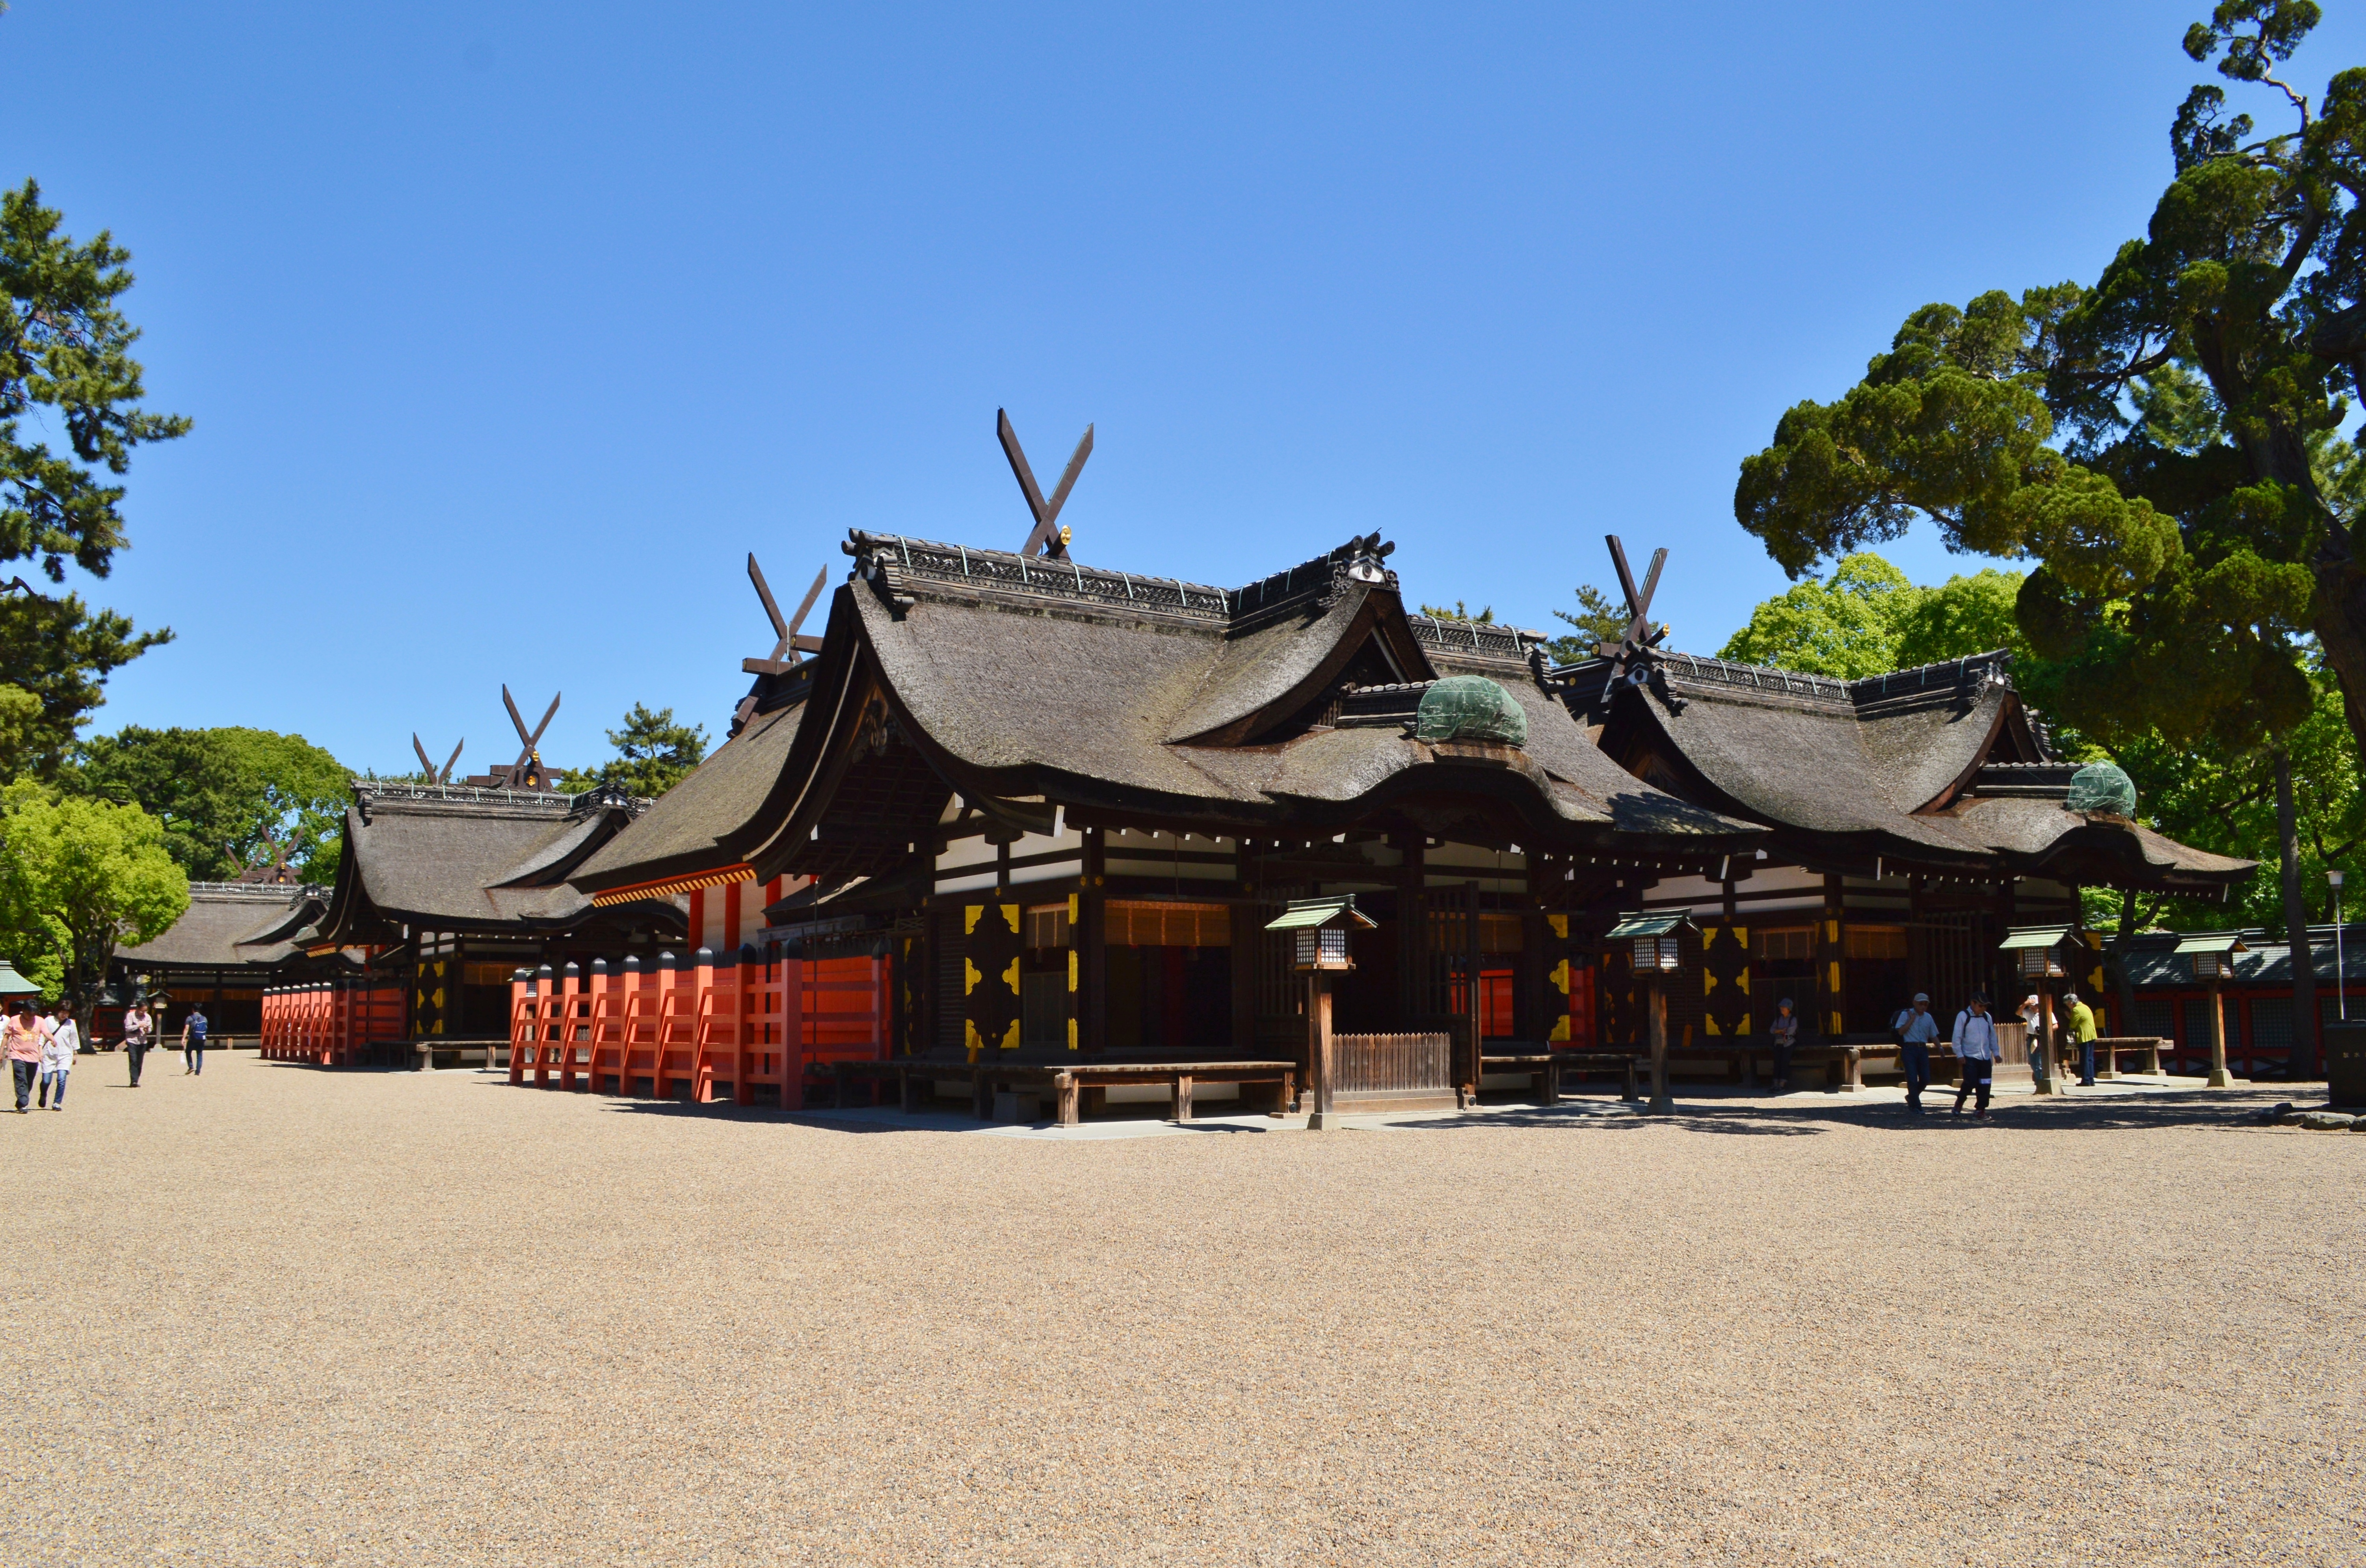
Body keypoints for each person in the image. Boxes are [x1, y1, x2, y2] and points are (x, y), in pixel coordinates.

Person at [1951, 990, 2000, 1118]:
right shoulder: (1963, 1016)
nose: (1983, 1008)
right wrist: (1959, 1054)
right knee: (1970, 1083)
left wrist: (1996, 1053)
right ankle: (1960, 1102)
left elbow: (1992, 1036)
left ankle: (1981, 1110)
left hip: (1985, 1057)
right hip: (1970, 1056)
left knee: (1985, 1084)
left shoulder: (1987, 1017)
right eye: (1981, 1005)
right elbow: (1957, 1037)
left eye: (1985, 1006)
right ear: (1973, 1003)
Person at [1892, 991, 1941, 1113]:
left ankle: (1912, 1098)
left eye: (1925, 1004)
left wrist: (1940, 1047)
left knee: (1926, 1078)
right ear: (1915, 1003)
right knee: (1912, 1078)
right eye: (1921, 1004)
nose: (1923, 1007)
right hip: (1909, 1049)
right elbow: (1901, 1031)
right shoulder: (1906, 1015)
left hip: (1923, 1049)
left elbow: (1933, 1035)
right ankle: (1916, 1106)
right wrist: (1911, 1020)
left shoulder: (1928, 1017)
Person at [4, 1001, 41, 1113]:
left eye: (33, 1014)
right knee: (21, 1079)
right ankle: (24, 1103)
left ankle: (21, 1102)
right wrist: (2, 1051)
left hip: (33, 1056)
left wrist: (52, 1040)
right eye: (29, 1014)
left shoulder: (40, 1021)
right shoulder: (14, 1020)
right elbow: (7, 1036)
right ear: (23, 1011)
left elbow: (46, 1033)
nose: (31, 1017)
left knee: (29, 1081)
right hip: (17, 1054)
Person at [37, 1005, 76, 1111]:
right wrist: (40, 1050)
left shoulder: (71, 1023)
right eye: (62, 1012)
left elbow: (74, 1039)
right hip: (49, 1053)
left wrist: (75, 1054)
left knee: (62, 1079)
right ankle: (43, 1094)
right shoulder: (49, 1021)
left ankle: (57, 1103)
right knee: (46, 1081)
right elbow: (42, 1036)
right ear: (58, 1011)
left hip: (65, 1054)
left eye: (67, 1013)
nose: (64, 1015)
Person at [2066, 990, 2100, 1086]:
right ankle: (2091, 1080)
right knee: (2090, 1059)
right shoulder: (2085, 1007)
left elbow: (2073, 1025)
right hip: (2092, 1035)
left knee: (2084, 1059)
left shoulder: (2076, 1010)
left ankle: (2086, 1080)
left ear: (2071, 1003)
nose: (2068, 1007)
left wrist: (2070, 1017)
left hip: (2084, 1036)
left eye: (2068, 1005)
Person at [1767, 998, 1801, 1090]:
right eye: (1781, 1007)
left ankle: (1782, 1084)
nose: (1782, 1009)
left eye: (1784, 1007)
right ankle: (1775, 1084)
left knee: (1784, 1063)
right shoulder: (1778, 1020)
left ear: (1789, 1009)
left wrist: (1782, 1034)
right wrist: (1781, 1031)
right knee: (1777, 1063)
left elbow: (1790, 1033)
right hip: (1778, 1043)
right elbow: (1772, 1030)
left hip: (1788, 1044)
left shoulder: (1793, 1020)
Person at [122, 999, 153, 1087]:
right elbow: (128, 1028)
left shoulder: (148, 1017)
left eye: (145, 1011)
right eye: (142, 1011)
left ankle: (137, 1079)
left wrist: (147, 1029)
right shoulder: (130, 1016)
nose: (144, 1013)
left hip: (143, 1041)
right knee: (133, 1060)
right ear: (138, 1009)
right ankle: (134, 1081)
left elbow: (151, 1029)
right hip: (132, 1041)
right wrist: (138, 1026)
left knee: (140, 1062)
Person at [181, 1005, 208, 1076]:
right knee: (200, 1054)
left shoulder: (190, 1018)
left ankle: (191, 1067)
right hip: (202, 1039)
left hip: (193, 1038)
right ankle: (198, 1072)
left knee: (188, 1052)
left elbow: (187, 1029)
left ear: (193, 1009)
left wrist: (184, 1038)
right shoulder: (204, 1019)